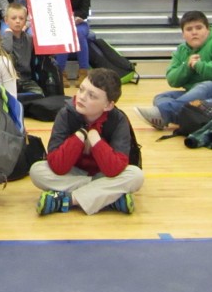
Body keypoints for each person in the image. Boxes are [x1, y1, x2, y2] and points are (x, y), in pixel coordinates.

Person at [31, 68, 144, 216]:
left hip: (104, 174)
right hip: (73, 173)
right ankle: (110, 196)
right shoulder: (66, 114)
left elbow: (114, 169)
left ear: (108, 105)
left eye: (92, 96)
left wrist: (95, 139)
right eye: (82, 90)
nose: (82, 97)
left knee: (135, 176)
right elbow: (57, 166)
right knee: (37, 171)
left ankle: (67, 200)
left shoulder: (118, 120)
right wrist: (80, 135)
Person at [136, 10, 212, 130]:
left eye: (199, 28)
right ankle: (185, 117)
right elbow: (172, 80)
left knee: (207, 86)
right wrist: (187, 67)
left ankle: (165, 113)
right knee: (161, 98)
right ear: (183, 34)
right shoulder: (182, 50)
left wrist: (201, 66)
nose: (194, 32)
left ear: (207, 29)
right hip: (201, 100)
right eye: (189, 29)